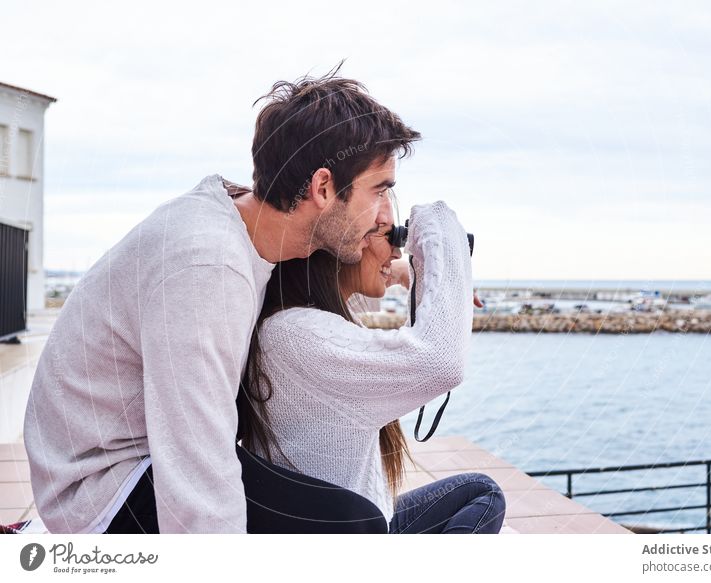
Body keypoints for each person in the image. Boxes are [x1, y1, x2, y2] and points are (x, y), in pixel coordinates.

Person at [22, 65, 421, 533]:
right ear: (323, 187)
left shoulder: (250, 225)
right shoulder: (207, 268)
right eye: (380, 191)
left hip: (137, 454)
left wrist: (413, 275)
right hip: (102, 489)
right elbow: (197, 471)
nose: (386, 218)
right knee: (351, 527)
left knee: (354, 520)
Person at [238, 199, 507, 533]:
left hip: (348, 518)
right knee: (485, 499)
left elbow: (383, 275)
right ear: (342, 247)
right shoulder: (305, 337)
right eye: (387, 236)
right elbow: (442, 362)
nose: (396, 252)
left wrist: (417, 270)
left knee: (481, 492)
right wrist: (437, 227)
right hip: (344, 532)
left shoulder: (290, 321)